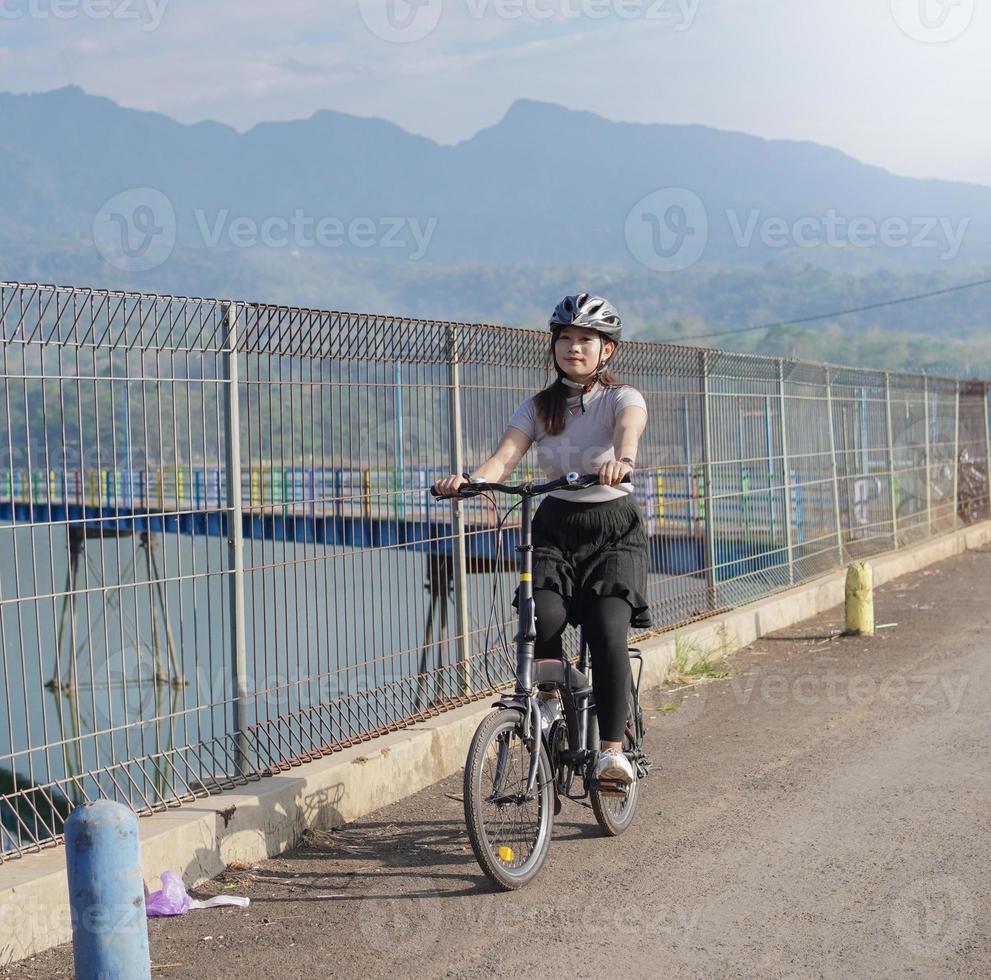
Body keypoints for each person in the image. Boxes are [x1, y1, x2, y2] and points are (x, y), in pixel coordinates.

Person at [432, 293, 650, 787]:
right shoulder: (536, 407)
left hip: (613, 529)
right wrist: (470, 480)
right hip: (553, 525)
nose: (575, 348)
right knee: (540, 616)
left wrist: (623, 458)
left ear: (606, 351)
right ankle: (549, 701)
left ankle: (613, 752)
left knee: (606, 629)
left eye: (587, 340)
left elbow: (628, 429)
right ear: (554, 346)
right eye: (566, 338)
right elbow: (503, 459)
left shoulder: (622, 398)